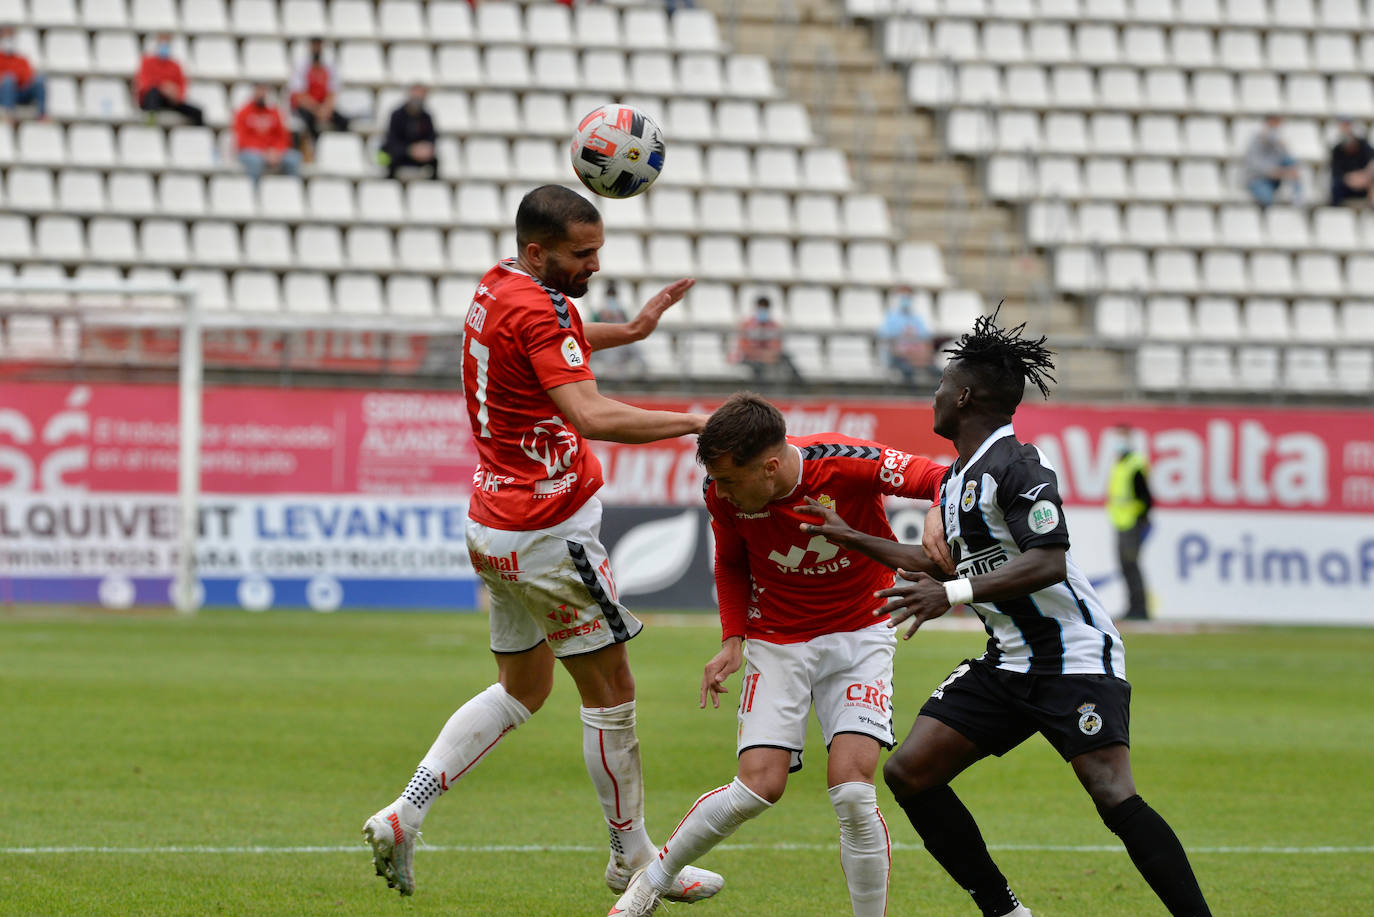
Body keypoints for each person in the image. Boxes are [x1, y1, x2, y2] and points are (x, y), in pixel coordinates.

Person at [362, 185, 724, 907]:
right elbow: (588, 411)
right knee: (613, 693)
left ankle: (407, 809)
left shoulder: (499, 285)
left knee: (524, 688)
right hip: (550, 531)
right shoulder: (540, 303)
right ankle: (633, 858)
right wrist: (696, 424)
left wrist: (633, 330)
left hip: (494, 526)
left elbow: (549, 339)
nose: (594, 266)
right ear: (539, 251)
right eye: (581, 255)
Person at [796, 310, 1213, 917]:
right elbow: (939, 563)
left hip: (1072, 656)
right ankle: (1005, 910)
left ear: (963, 396)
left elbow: (1047, 560)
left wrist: (955, 595)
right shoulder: (956, 480)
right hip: (1009, 662)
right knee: (911, 773)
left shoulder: (1018, 467)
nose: (933, 397)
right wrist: (851, 537)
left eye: (941, 387)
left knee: (1112, 793)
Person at [608, 392, 949, 917]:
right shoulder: (723, 494)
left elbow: (940, 476)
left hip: (862, 634)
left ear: (769, 467)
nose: (719, 491)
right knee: (756, 788)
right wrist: (732, 638)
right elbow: (731, 563)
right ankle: (650, 884)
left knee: (854, 794)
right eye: (716, 480)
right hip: (779, 641)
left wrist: (936, 518)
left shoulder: (848, 463)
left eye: (729, 480)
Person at [1107, 423, 1152, 621]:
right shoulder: (1121, 463)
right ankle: (1132, 606)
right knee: (1126, 566)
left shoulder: (1135, 463)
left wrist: (1138, 518)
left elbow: (1146, 497)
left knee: (1131, 564)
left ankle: (1139, 608)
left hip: (1131, 523)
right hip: (1121, 522)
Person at [233, 83, 301, 185]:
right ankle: (255, 193)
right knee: (255, 161)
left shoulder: (274, 112)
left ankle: (289, 192)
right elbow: (242, 140)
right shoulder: (243, 113)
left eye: (264, 91)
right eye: (259, 90)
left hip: (274, 152)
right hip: (252, 151)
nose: (261, 94)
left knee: (294, 158)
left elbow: (283, 137)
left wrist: (276, 151)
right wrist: (264, 152)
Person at [288, 37, 349, 148]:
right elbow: (299, 96)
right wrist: (317, 110)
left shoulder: (329, 65)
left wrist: (326, 109)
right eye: (314, 45)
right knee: (309, 121)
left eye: (318, 45)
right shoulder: (301, 65)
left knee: (343, 121)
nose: (317, 48)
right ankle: (315, 148)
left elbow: (332, 91)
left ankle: (338, 147)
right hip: (306, 107)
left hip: (323, 106)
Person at [133, 32, 203, 126]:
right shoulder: (147, 62)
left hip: (170, 100)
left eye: (167, 43)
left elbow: (182, 86)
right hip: (152, 100)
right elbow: (144, 84)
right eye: (162, 42)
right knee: (153, 93)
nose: (164, 46)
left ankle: (198, 137)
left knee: (197, 112)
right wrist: (162, 87)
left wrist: (175, 94)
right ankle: (150, 121)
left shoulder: (175, 65)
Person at [731, 295, 801, 383]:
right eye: (761, 307)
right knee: (758, 369)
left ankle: (799, 387)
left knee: (786, 358)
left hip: (768, 357)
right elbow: (743, 347)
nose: (763, 310)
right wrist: (760, 355)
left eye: (765, 307)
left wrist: (769, 355)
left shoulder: (774, 326)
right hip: (750, 358)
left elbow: (777, 346)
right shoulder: (746, 325)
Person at [878, 286, 935, 385]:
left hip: (917, 357)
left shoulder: (917, 318)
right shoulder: (891, 318)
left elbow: (926, 341)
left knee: (937, 371)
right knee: (908, 370)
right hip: (898, 357)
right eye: (903, 296)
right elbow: (889, 343)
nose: (906, 299)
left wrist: (925, 358)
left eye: (908, 297)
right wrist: (910, 357)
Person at [381, 83, 438, 180]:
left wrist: (425, 149)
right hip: (401, 154)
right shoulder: (397, 115)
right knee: (389, 157)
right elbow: (391, 141)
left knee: (434, 161)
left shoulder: (426, 117)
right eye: (415, 96)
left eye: (420, 97)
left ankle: (432, 190)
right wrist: (410, 150)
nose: (417, 100)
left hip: (419, 156)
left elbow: (432, 138)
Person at [1244, 115, 1302, 207]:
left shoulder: (1277, 144)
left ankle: (1297, 198)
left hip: (1274, 180)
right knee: (1266, 198)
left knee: (1290, 162)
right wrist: (1279, 173)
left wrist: (1282, 145)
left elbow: (1288, 160)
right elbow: (1256, 167)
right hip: (1258, 180)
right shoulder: (1256, 142)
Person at [591, 281, 647, 376]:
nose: (611, 298)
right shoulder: (599, 311)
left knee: (633, 348)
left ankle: (643, 373)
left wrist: (618, 317)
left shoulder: (622, 311)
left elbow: (629, 327)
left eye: (613, 295)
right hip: (603, 338)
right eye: (610, 295)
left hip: (619, 340)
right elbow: (592, 326)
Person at [0, 25, 46, 121]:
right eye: (6, 37)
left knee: (39, 80)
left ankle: (42, 115)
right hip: (3, 94)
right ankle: (8, 114)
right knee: (8, 81)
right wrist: (12, 77)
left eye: (10, 37)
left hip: (21, 93)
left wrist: (14, 77)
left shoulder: (22, 59)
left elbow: (28, 77)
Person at [1329, 117, 1374, 206]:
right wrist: (1349, 179)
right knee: (1336, 186)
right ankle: (1336, 211)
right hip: (1347, 183)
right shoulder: (1337, 150)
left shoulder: (1365, 146)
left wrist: (1366, 176)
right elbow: (1337, 172)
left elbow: (1372, 162)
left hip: (1365, 182)